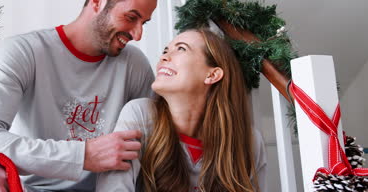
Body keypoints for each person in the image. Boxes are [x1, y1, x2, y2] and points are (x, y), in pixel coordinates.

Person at [0, 0, 163, 191]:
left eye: (144, 23)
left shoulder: (134, 65)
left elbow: (158, 140)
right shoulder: (23, 53)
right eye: (131, 18)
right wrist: (81, 155)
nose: (137, 35)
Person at [96, 28, 268, 192]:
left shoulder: (250, 142)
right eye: (165, 50)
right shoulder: (140, 115)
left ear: (212, 75)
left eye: (181, 49)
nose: (164, 57)